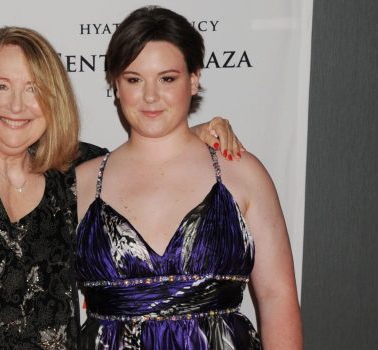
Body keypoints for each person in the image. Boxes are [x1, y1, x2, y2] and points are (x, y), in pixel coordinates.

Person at [0, 26, 243, 349]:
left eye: (33, 89)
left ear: (52, 100)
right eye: (1, 86)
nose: (16, 106)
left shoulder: (71, 173)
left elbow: (139, 160)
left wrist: (190, 134)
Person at [76, 6, 303, 349]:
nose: (151, 96)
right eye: (134, 79)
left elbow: (277, 296)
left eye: (167, 78)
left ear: (194, 79)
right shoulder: (80, 183)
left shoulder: (242, 173)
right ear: (116, 85)